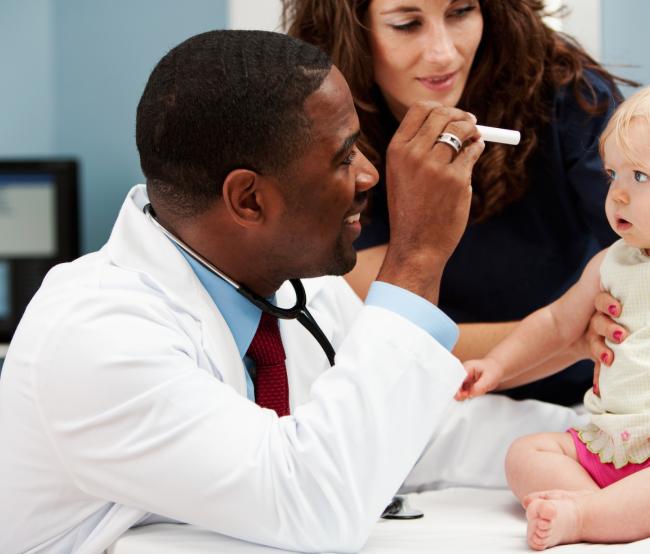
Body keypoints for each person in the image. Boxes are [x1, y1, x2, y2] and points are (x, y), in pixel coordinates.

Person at [0, 30, 583, 554]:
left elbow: (424, 434)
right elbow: (312, 504)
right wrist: (417, 256)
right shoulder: (93, 337)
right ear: (248, 199)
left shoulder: (296, 289)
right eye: (342, 156)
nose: (369, 176)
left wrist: (607, 445)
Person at [281, 0, 633, 405]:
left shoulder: (564, 96)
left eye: (461, 11)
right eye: (407, 24)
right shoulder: (325, 140)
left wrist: (574, 340)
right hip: (420, 408)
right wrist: (565, 336)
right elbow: (381, 338)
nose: (444, 53)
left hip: (584, 400)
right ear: (351, 28)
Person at [457, 87, 650, 550]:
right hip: (605, 439)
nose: (618, 194)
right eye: (612, 174)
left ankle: (586, 516)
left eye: (640, 176)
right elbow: (555, 324)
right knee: (526, 454)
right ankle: (603, 509)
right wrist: (498, 365)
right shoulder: (608, 264)